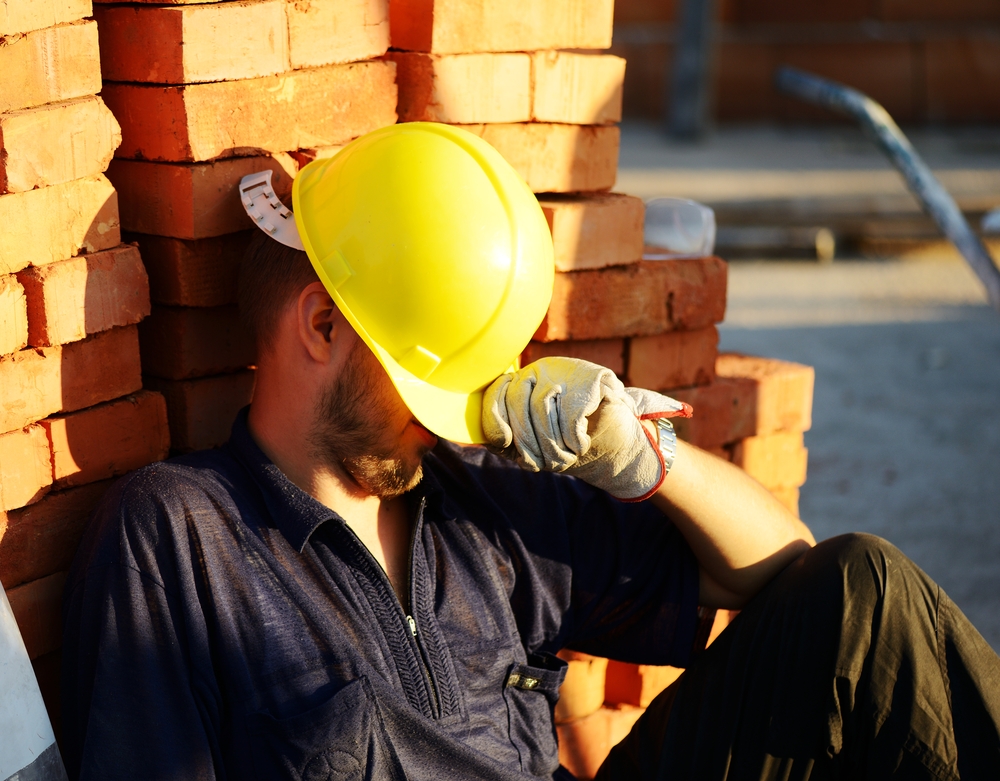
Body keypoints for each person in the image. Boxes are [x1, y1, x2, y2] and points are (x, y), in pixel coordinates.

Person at [61, 123, 1000, 781]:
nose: (445, 421)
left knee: (863, 590)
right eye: (430, 386)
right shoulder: (180, 536)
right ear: (321, 325)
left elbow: (780, 569)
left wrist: (643, 461)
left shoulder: (483, 494)